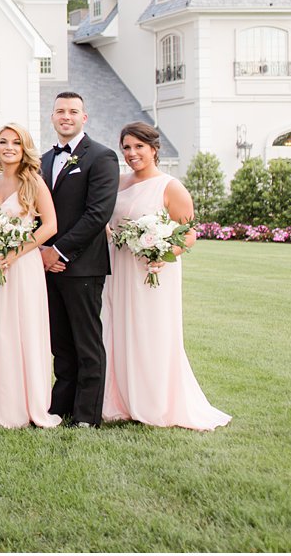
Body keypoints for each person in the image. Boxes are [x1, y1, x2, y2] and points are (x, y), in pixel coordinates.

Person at [102, 122, 230, 431]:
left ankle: (153, 403)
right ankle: (118, 401)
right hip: (117, 268)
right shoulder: (118, 182)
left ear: (154, 149)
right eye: (127, 148)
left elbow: (189, 233)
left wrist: (163, 255)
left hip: (151, 273)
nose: (132, 153)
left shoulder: (170, 186)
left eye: (138, 147)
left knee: (149, 332)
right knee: (115, 328)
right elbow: (108, 219)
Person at [0, 124, 61, 429]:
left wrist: (15, 253)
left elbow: (49, 226)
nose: (9, 147)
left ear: (25, 148)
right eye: (3, 142)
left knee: (22, 330)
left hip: (22, 268)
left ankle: (24, 405)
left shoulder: (33, 183)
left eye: (16, 143)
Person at [38, 91, 119, 429]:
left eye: (73, 111)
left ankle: (87, 415)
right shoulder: (43, 160)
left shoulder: (102, 157)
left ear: (84, 117)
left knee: (86, 342)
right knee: (60, 342)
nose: (66, 117)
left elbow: (97, 214)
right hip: (46, 266)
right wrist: (43, 253)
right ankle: (62, 407)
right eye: (60, 111)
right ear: (53, 117)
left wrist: (58, 251)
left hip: (82, 264)